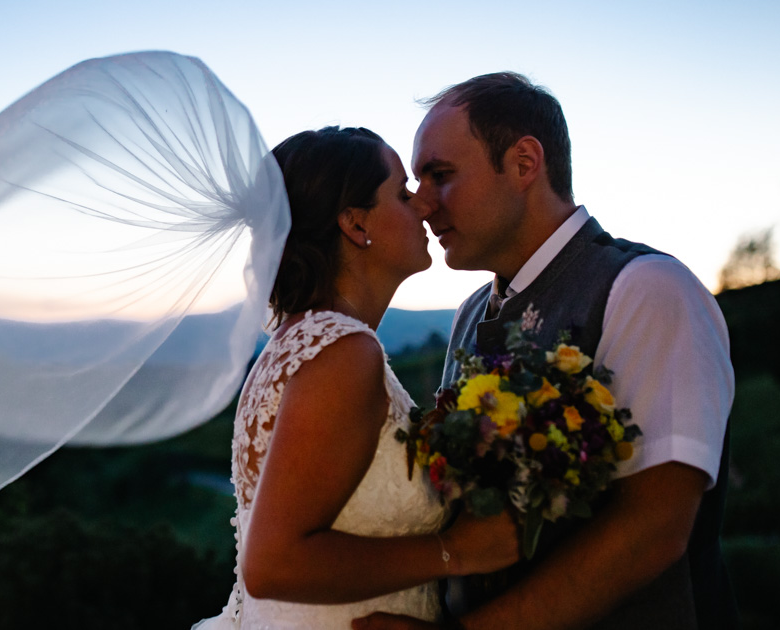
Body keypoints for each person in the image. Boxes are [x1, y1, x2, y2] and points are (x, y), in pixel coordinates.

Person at [355, 73, 736, 629]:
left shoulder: (646, 289)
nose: (423, 205)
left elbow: (653, 529)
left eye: (441, 176)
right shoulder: (469, 315)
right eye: (417, 183)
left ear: (525, 163)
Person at [194, 126, 520, 629]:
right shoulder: (343, 352)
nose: (423, 207)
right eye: (401, 193)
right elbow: (275, 564)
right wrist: (457, 550)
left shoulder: (303, 342)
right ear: (354, 223)